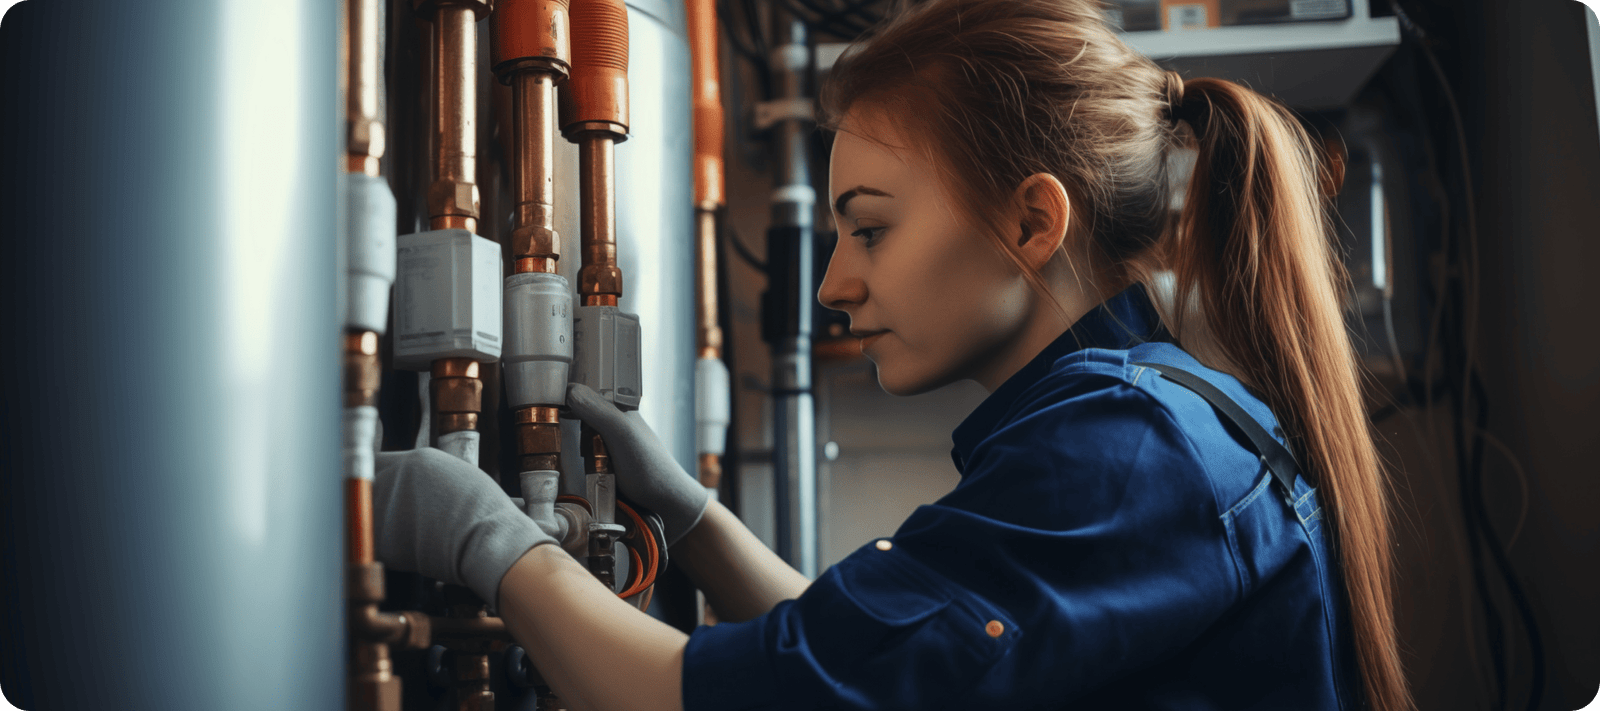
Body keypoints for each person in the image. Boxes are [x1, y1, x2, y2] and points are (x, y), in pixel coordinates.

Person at [371, 0, 1414, 708]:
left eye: (869, 229)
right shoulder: (1145, 420)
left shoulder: (1124, 458)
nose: (831, 283)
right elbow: (877, 655)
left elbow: (718, 700)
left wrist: (489, 545)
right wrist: (693, 521)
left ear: (1032, 222)